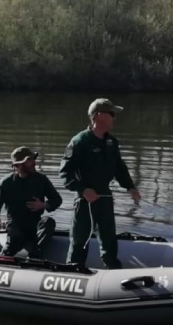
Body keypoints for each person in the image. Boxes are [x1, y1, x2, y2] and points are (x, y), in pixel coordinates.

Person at [59, 98, 141, 269]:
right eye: (112, 114)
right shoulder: (80, 141)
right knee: (80, 238)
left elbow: (120, 168)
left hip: (105, 196)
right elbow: (65, 173)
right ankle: (74, 268)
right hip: (85, 200)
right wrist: (82, 190)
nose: (114, 118)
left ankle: (112, 269)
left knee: (109, 237)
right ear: (100, 116)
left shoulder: (112, 142)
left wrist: (130, 187)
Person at [0, 146, 63, 259]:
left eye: (33, 159)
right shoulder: (5, 183)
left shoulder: (41, 180)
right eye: (29, 160)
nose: (34, 162)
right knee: (15, 234)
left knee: (48, 221)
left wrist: (44, 205)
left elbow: (57, 200)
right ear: (18, 165)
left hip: (35, 224)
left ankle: (34, 254)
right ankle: (6, 254)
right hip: (15, 225)